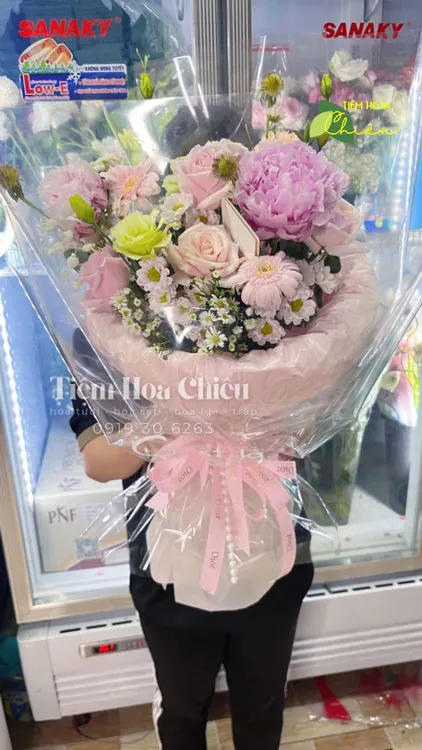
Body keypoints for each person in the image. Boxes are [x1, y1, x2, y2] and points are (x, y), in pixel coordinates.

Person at [70, 387, 313, 750]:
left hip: (273, 555)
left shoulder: (297, 348)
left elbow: (313, 428)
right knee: (182, 706)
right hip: (169, 567)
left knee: (263, 702)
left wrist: (260, 403)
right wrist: (180, 408)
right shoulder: (106, 353)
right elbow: (99, 462)